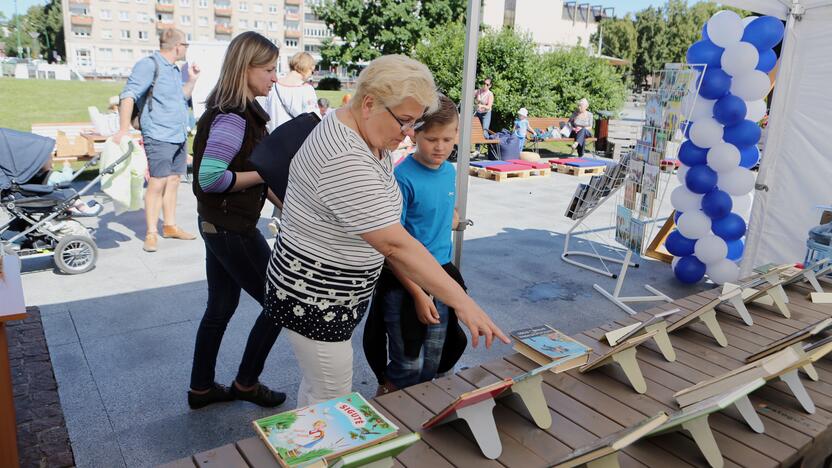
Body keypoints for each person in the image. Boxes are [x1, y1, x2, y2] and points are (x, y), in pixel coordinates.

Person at [263, 55, 509, 406]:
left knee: (318, 389)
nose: (410, 133)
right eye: (405, 121)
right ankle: (323, 457)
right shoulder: (344, 157)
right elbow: (395, 245)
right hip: (316, 300)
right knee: (331, 399)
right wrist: (463, 303)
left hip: (328, 295)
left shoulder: (360, 129)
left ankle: (313, 450)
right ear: (369, 104)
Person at [187, 31, 286, 410]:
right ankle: (247, 382)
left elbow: (249, 172)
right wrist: (264, 177)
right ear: (245, 68)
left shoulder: (236, 112)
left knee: (220, 308)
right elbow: (211, 179)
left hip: (218, 226)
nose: (274, 78)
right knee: (281, 303)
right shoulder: (233, 118)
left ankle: (201, 388)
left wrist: (287, 204)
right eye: (269, 70)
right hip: (232, 229)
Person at [365, 94, 469, 394]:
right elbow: (391, 246)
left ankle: (425, 410)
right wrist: (417, 293)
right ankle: (395, 408)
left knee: (435, 357)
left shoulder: (449, 172)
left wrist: (451, 214)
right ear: (415, 133)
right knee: (407, 361)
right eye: (432, 139)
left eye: (448, 139)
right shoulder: (401, 178)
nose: (440, 147)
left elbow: (441, 208)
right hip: (406, 282)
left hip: (441, 276)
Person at [115, 28, 199, 252]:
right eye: (186, 45)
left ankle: (169, 225)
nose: (186, 49)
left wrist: (192, 80)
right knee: (157, 182)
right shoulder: (149, 65)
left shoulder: (173, 69)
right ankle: (151, 232)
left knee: (173, 181)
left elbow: (182, 97)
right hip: (159, 134)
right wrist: (123, 129)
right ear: (178, 46)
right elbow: (128, 95)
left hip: (178, 134)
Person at [265, 51, 319, 133]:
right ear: (308, 68)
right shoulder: (307, 90)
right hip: (295, 142)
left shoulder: (273, 86)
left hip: (272, 140)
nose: (311, 75)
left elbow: (266, 115)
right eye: (312, 72)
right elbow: (314, 121)